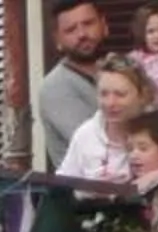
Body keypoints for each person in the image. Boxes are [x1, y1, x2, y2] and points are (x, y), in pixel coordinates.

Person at [60, 56, 158, 181]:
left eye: (120, 94)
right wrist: (89, 190)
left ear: (142, 95)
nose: (110, 103)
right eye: (103, 94)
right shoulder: (86, 135)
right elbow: (62, 186)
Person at [37, 0, 112, 152]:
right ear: (58, 40)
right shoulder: (55, 87)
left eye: (88, 23)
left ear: (104, 25)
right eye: (71, 30)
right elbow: (95, 147)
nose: (82, 34)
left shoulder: (123, 68)